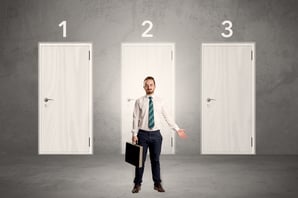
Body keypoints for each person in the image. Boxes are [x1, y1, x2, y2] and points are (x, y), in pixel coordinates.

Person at [131, 76, 187, 193]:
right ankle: (137, 184)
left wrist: (177, 129)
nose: (149, 87)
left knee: (155, 160)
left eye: (151, 85)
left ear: (154, 86)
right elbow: (135, 118)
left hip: (156, 135)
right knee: (139, 161)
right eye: (146, 85)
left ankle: (157, 183)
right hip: (142, 134)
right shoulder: (139, 101)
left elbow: (168, 116)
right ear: (143, 87)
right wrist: (134, 134)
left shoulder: (161, 101)